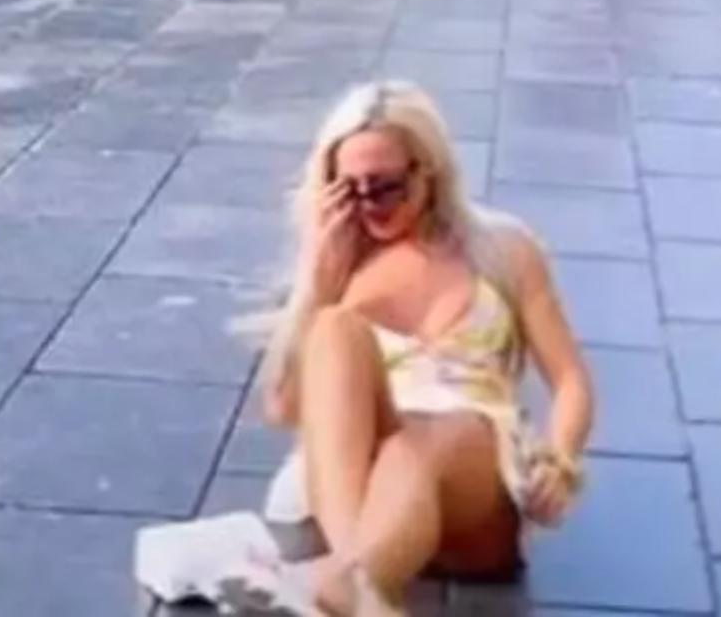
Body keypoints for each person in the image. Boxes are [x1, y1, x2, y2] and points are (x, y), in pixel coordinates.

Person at [224, 81, 595, 615]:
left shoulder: (504, 248)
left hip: (469, 470)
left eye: (386, 187)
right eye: (350, 191)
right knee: (333, 329)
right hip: (357, 488)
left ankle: (349, 582)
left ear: (429, 170)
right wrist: (316, 284)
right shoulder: (338, 261)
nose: (369, 206)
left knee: (421, 438)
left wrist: (561, 461)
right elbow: (284, 409)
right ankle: (359, 580)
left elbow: (571, 379)